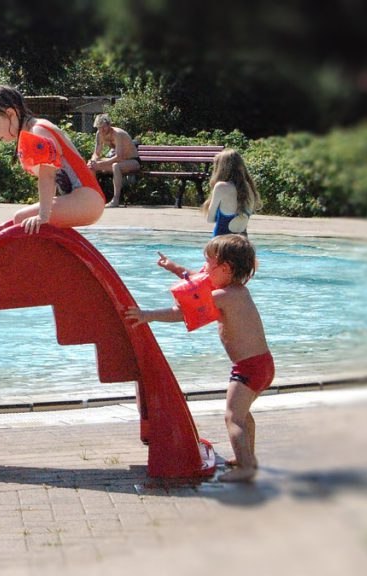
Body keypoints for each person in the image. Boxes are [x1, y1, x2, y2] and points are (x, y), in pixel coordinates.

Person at [124, 234, 273, 483]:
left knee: (232, 416)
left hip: (248, 368)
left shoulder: (222, 297)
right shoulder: (236, 291)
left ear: (225, 269)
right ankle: (248, 457)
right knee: (243, 414)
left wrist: (146, 315)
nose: (203, 269)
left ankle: (247, 468)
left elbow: (181, 312)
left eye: (207, 263)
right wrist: (173, 267)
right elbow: (195, 279)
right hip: (263, 364)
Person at [0, 85, 105, 233]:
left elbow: (47, 176)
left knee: (21, 219)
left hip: (86, 200)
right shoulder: (34, 131)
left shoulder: (38, 130)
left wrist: (43, 216)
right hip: (86, 200)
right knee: (22, 221)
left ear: (11, 113)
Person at [202, 149, 261, 237]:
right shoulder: (250, 188)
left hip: (222, 243)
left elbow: (210, 219)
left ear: (220, 168)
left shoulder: (221, 187)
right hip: (243, 244)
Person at [87, 114, 140, 208]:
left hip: (132, 161)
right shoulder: (99, 134)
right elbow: (96, 153)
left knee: (116, 166)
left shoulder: (118, 134)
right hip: (118, 161)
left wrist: (100, 163)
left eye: (103, 127)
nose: (101, 130)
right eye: (99, 128)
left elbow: (119, 157)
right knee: (91, 165)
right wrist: (93, 161)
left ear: (109, 125)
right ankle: (93, 198)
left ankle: (115, 200)